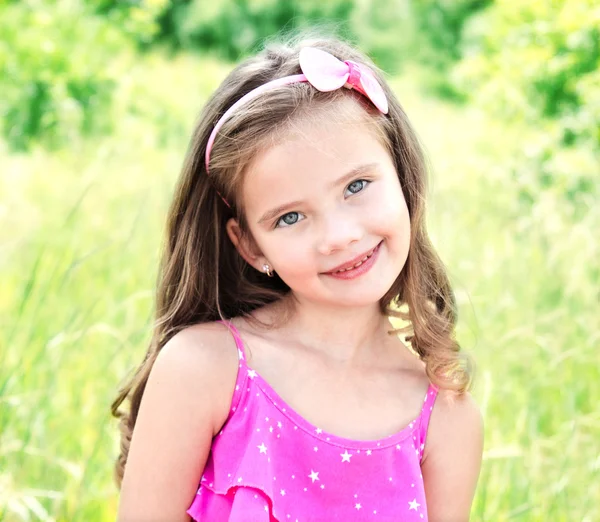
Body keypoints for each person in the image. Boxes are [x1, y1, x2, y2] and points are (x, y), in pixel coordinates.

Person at [112, 31, 484, 522]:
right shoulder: (205, 370)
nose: (339, 235)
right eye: (290, 217)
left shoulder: (447, 420)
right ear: (249, 245)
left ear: (403, 177)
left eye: (356, 185)